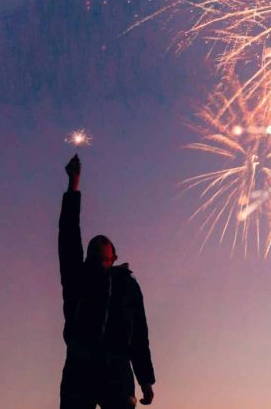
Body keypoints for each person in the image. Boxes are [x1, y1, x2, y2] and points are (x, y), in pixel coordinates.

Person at [58, 154, 155, 408]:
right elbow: (68, 236)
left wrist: (145, 378)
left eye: (101, 257)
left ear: (113, 258)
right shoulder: (77, 278)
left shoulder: (128, 286)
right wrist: (74, 185)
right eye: (92, 256)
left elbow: (139, 335)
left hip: (117, 369)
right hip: (80, 365)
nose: (96, 261)